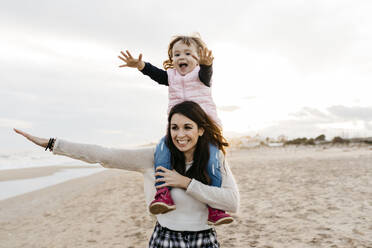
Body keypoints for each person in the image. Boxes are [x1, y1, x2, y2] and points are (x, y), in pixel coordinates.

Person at [14, 101, 239, 248]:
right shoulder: (153, 157)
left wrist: (187, 183)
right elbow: (104, 155)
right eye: (174, 127)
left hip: (205, 240)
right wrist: (53, 144)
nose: (180, 134)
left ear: (200, 130)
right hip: (166, 239)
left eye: (187, 127)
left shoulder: (214, 160)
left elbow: (232, 202)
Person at [118, 35, 232, 225]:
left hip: (205, 129)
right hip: (179, 130)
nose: (181, 57)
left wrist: (206, 65)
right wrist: (140, 65)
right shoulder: (171, 77)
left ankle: (215, 207)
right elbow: (155, 73)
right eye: (176, 54)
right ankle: (163, 193)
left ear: (198, 57)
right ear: (171, 59)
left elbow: (206, 73)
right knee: (162, 149)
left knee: (212, 160)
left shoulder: (201, 76)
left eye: (188, 53)